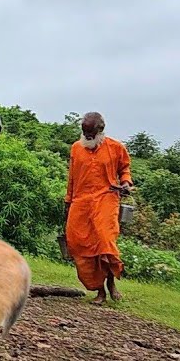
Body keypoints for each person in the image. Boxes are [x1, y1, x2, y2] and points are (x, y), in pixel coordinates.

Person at [64, 112, 133, 304]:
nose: (87, 137)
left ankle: (110, 285)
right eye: (84, 133)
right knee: (78, 242)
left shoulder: (116, 148)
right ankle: (99, 289)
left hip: (106, 198)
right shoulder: (76, 148)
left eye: (91, 134)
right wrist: (68, 201)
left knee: (104, 242)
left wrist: (126, 183)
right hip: (81, 201)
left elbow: (125, 169)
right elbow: (72, 177)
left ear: (100, 130)